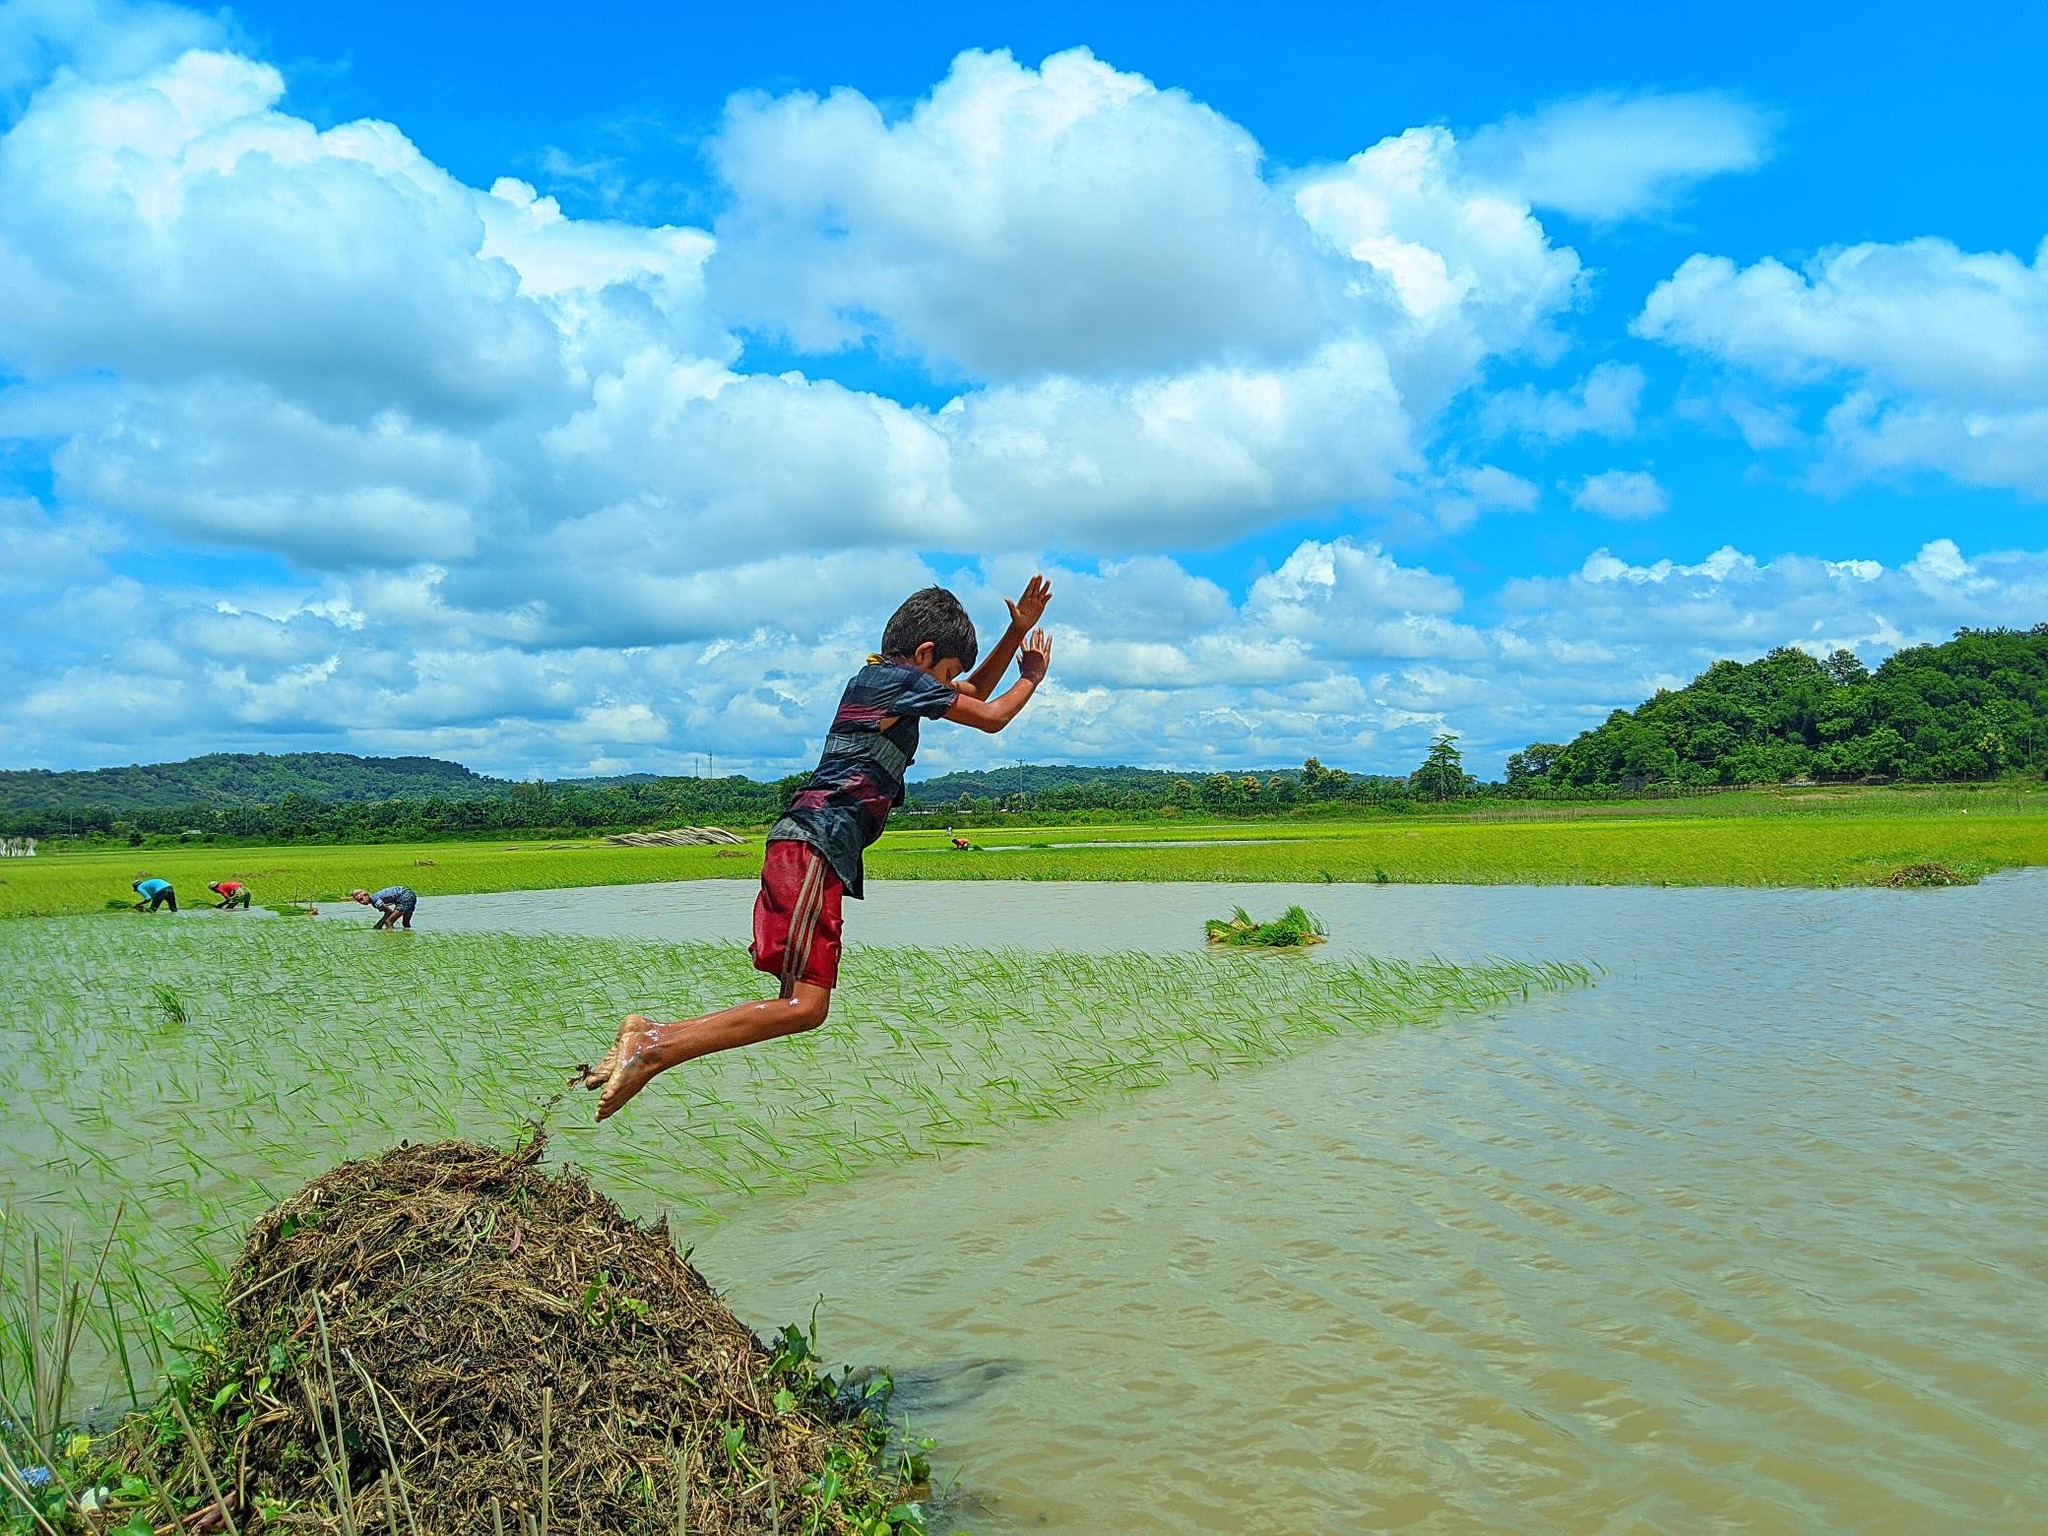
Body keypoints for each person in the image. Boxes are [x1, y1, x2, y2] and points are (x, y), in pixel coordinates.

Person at [581, 577, 1054, 1121]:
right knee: (805, 1006)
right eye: (945, 673)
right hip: (815, 842)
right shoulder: (892, 681)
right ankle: (652, 1045)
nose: (951, 685)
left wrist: (1014, 631)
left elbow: (973, 692)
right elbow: (991, 716)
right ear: (923, 655)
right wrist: (1032, 677)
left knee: (804, 1006)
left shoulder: (890, 681)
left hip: (811, 847)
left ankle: (652, 1042)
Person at [350, 885, 418, 930]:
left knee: (388, 922)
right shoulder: (375, 899)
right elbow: (388, 912)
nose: (362, 902)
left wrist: (378, 925)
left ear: (366, 895)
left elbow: (389, 912)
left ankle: (391, 940)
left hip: (404, 896)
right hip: (409, 894)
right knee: (405, 924)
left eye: (362, 899)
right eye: (359, 901)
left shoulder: (375, 900)